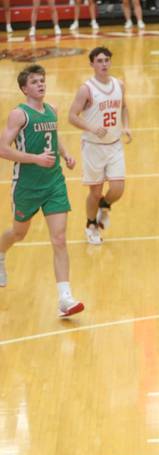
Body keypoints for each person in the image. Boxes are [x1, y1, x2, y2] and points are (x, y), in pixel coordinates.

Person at [0, 65, 83, 317]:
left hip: (54, 183)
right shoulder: (19, 115)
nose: (41, 84)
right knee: (19, 232)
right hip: (27, 185)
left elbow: (53, 136)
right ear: (24, 88)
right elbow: (3, 149)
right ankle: (1, 252)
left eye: (42, 80)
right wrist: (35, 159)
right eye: (35, 82)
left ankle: (65, 298)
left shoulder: (51, 110)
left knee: (59, 238)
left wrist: (65, 154)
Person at [68, 46, 131, 245]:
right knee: (95, 193)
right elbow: (72, 116)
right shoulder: (86, 89)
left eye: (106, 60)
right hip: (93, 147)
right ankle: (91, 225)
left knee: (118, 189)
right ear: (92, 64)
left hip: (114, 145)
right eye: (99, 61)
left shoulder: (119, 84)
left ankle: (105, 206)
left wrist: (126, 126)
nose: (104, 64)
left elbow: (124, 107)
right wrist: (92, 127)